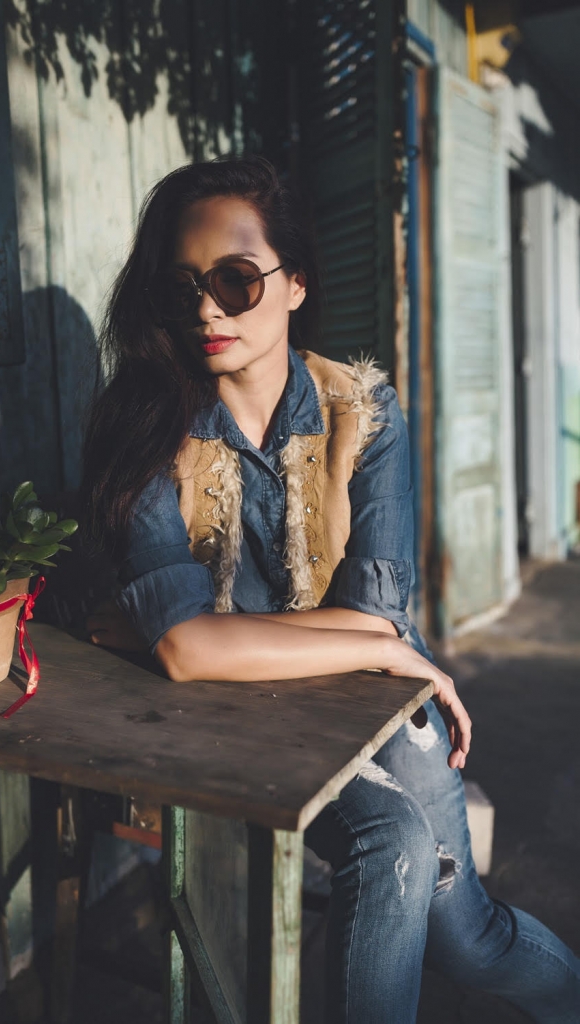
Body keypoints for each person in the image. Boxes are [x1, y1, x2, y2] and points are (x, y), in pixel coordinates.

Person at [82, 156, 580, 1023]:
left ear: (295, 283)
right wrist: (378, 643)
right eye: (184, 286)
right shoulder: (146, 423)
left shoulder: (364, 412)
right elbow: (187, 649)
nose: (208, 309)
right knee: (391, 846)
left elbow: (365, 611)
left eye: (236, 280)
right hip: (252, 703)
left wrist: (367, 640)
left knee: (466, 938)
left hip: (368, 687)